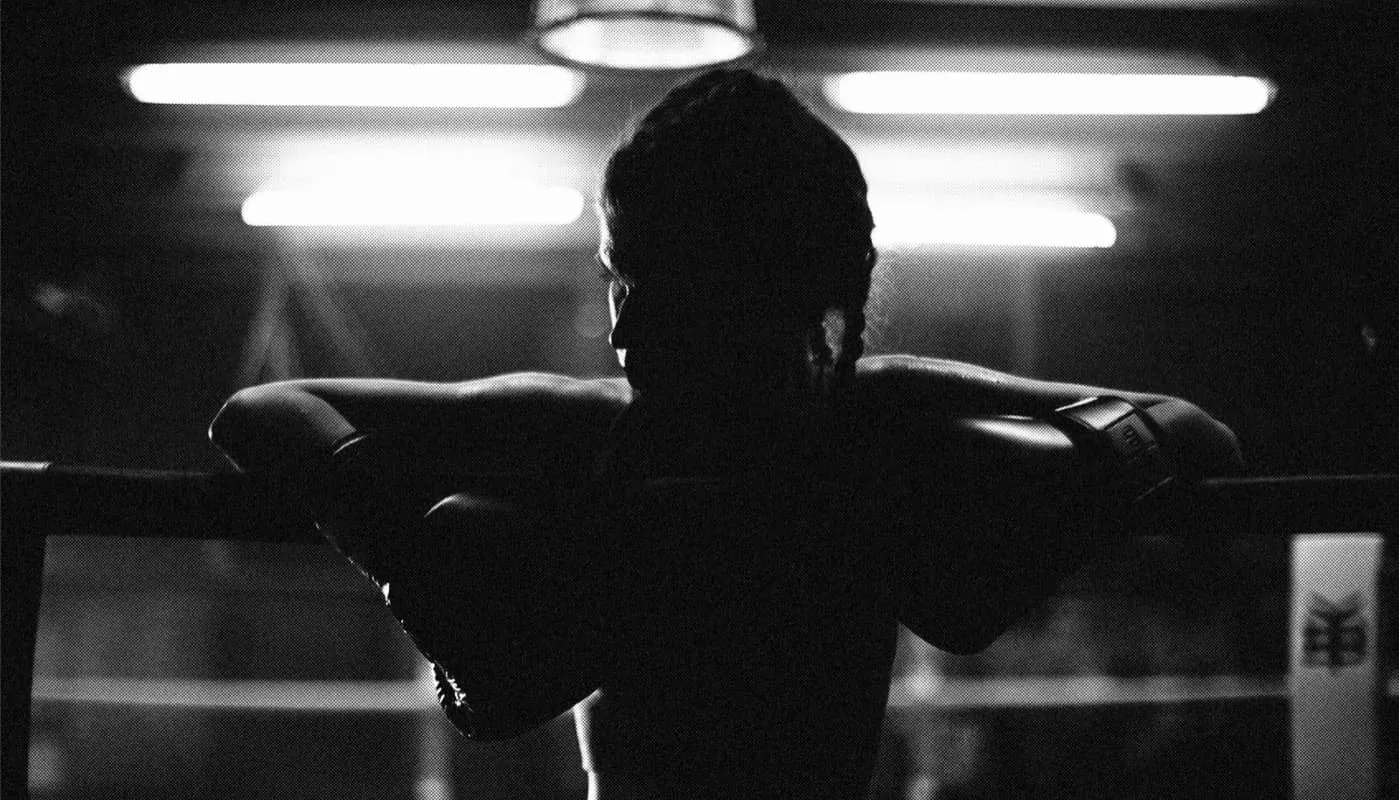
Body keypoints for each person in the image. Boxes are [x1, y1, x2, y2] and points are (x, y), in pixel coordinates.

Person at [209, 68, 1244, 799]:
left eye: (662, 288)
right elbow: (262, 409)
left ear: (764, 292)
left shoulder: (872, 418)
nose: (623, 328)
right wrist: (407, 552)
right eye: (617, 280)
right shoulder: (594, 426)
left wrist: (1032, 503)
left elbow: (1194, 430)